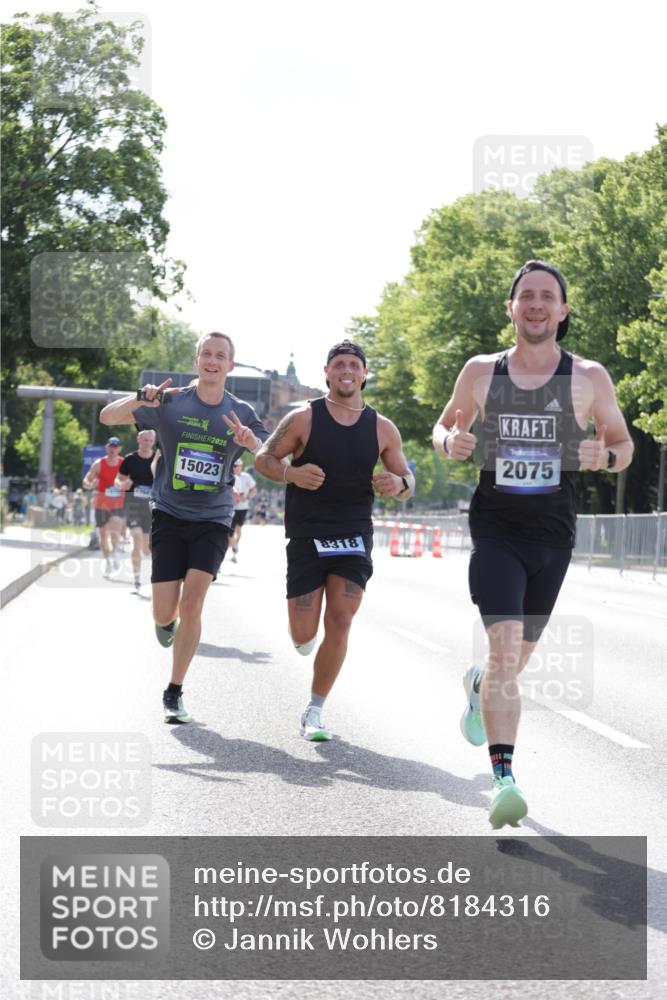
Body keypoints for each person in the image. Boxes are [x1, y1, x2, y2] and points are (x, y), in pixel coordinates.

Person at [432, 259, 634, 829]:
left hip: (553, 537)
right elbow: (443, 426)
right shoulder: (481, 371)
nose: (537, 305)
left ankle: (478, 686)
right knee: (504, 653)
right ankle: (504, 780)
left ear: (563, 310)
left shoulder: (587, 377)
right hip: (495, 530)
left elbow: (623, 446)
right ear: (512, 308)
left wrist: (605, 456)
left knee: (512, 664)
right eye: (527, 296)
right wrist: (449, 443)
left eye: (548, 296)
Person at [99, 331, 268, 724]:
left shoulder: (241, 411)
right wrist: (141, 398)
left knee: (193, 604)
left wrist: (251, 443)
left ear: (230, 365)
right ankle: (166, 622)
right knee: (164, 613)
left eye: (220, 355)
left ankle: (174, 690)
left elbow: (270, 456)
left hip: (214, 517)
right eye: (206, 353)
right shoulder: (171, 402)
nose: (212, 360)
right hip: (170, 514)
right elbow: (107, 416)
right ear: (196, 361)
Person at [255, 339, 414, 741]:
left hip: (353, 535)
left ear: (364, 374)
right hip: (308, 533)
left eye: (354, 365)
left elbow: (407, 482)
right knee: (302, 634)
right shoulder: (303, 419)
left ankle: (315, 709)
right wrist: (292, 474)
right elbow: (263, 458)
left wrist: (398, 484)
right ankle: (304, 638)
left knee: (341, 619)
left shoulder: (382, 428)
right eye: (339, 364)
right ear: (327, 372)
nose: (347, 371)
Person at [117, 429, 157, 593]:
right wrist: (124, 483)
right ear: (138, 440)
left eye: (150, 441)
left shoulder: (158, 459)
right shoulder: (130, 459)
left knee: (146, 549)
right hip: (133, 504)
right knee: (136, 536)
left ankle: (153, 577)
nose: (147, 443)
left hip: (151, 507)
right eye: (145, 440)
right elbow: (119, 478)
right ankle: (137, 579)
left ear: (153, 442)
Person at [82, 437, 126, 576]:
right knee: (103, 536)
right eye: (110, 446)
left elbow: (132, 480)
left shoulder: (124, 464)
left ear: (119, 449)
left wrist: (126, 484)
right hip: (101, 505)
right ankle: (107, 560)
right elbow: (86, 481)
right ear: (107, 448)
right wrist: (90, 485)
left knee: (114, 534)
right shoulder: (98, 464)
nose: (113, 449)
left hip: (118, 504)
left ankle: (114, 554)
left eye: (115, 447)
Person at [229, 458, 257, 562]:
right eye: (234, 466)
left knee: (238, 530)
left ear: (241, 466)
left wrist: (247, 497)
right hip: (232, 508)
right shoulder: (230, 476)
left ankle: (235, 546)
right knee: (230, 531)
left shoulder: (246, 477)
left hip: (243, 507)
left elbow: (254, 490)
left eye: (237, 466)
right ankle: (234, 549)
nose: (235, 468)